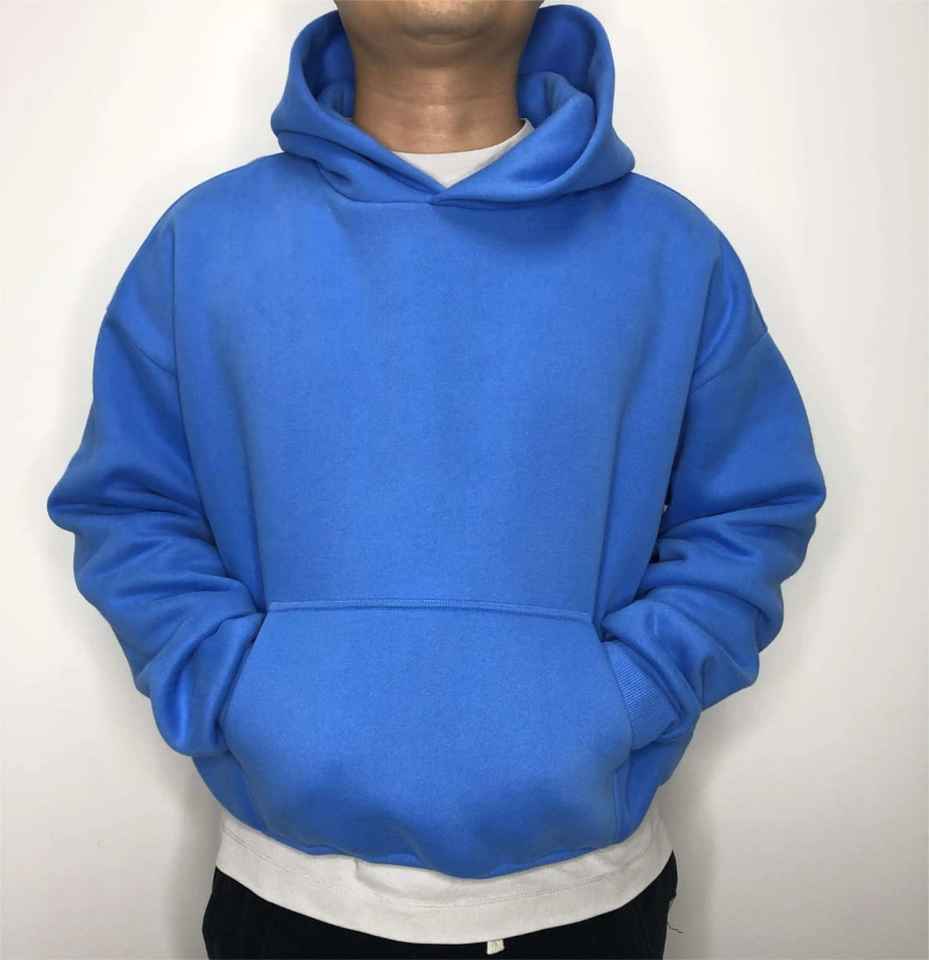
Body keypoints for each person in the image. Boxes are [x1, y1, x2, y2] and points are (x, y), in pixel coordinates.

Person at [45, 1, 827, 958]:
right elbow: (130, 509)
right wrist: (243, 693)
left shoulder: (671, 248)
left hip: (588, 898)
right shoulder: (204, 241)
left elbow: (748, 510)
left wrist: (624, 699)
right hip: (287, 892)